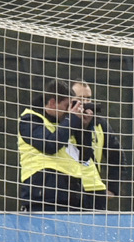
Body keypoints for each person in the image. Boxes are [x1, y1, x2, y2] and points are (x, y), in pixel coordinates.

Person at [18, 79, 101, 211]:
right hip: (43, 194)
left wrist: (84, 128)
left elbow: (84, 157)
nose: (69, 110)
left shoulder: (67, 121)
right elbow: (50, 145)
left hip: (72, 193)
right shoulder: (29, 119)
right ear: (52, 103)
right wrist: (71, 119)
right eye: (66, 105)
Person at [70, 80, 127, 210]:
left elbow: (117, 156)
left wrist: (112, 189)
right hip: (67, 189)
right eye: (80, 99)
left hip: (93, 189)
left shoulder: (100, 124)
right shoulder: (61, 121)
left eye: (88, 98)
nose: (85, 103)